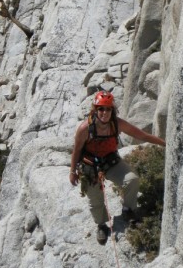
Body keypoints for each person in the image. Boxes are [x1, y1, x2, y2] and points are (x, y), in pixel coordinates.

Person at [69, 90, 166, 245]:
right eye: (101, 108)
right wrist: (72, 171)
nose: (104, 112)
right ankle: (101, 225)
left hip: (110, 162)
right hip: (90, 166)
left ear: (112, 110)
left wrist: (165, 143)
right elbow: (77, 150)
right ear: (95, 110)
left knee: (132, 179)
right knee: (95, 200)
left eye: (108, 109)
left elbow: (142, 136)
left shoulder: (117, 124)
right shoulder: (85, 128)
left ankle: (128, 210)